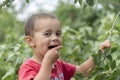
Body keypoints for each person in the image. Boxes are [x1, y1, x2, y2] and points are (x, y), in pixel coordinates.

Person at [18, 13, 111, 80]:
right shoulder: (27, 68)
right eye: (47, 34)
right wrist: (47, 62)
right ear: (30, 41)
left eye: (58, 34)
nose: (55, 38)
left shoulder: (59, 65)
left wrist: (100, 52)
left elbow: (83, 71)